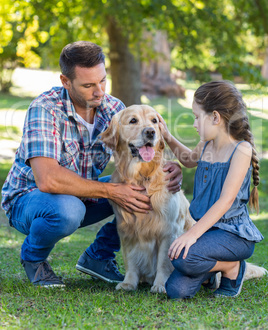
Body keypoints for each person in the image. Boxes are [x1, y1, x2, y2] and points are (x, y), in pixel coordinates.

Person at [1, 41, 182, 288]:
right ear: (66, 82)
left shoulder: (114, 109)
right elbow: (48, 179)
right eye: (88, 85)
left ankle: (98, 256)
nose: (99, 92)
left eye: (102, 81)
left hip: (83, 194)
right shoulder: (45, 109)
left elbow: (137, 157)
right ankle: (34, 259)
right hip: (30, 199)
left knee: (142, 191)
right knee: (69, 210)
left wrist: (168, 169)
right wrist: (112, 191)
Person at [158, 80, 263, 299]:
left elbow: (225, 201)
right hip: (209, 233)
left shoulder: (241, 150)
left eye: (197, 117)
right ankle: (212, 271)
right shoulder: (206, 145)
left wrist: (191, 235)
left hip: (233, 235)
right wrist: (167, 135)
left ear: (215, 117)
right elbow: (187, 160)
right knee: (176, 291)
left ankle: (232, 267)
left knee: (182, 257)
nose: (194, 124)